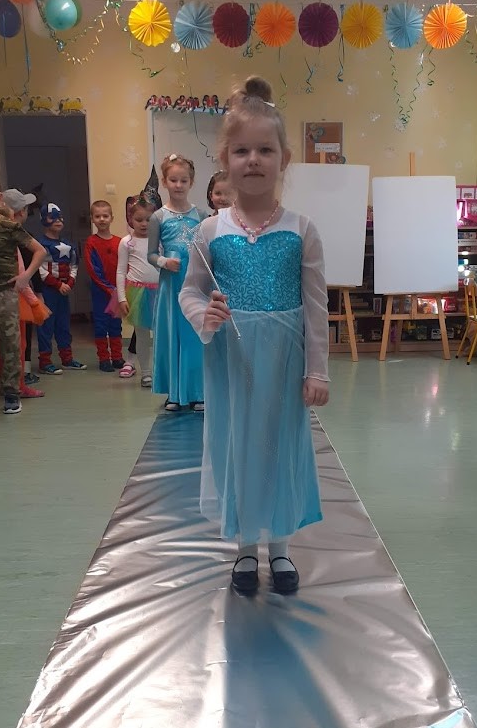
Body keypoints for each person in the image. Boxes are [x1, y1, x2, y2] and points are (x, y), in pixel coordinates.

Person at [179, 77, 330, 594]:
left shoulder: (302, 229)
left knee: (280, 446)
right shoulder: (210, 231)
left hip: (284, 361)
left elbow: (316, 307)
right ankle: (245, 547)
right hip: (233, 360)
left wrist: (317, 371)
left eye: (265, 150)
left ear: (284, 158)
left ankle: (280, 547)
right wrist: (205, 316)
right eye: (242, 150)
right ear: (225, 159)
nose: (254, 160)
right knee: (237, 445)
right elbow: (191, 291)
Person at [0, 172, 46, 415]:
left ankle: (11, 393)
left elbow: (39, 251)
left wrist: (25, 277)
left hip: (5, 296)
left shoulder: (10, 227)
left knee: (10, 346)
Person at [147, 154, 206, 411]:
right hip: (171, 285)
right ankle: (173, 392)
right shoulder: (158, 217)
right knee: (171, 335)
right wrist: (163, 262)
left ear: (191, 182)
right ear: (164, 182)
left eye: (183, 180)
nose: (178, 185)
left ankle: (197, 391)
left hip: (195, 284)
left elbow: (207, 250)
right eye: (173, 180)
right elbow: (150, 254)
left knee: (194, 335)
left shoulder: (201, 215)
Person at [1, 189, 47, 398]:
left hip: (5, 295)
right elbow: (23, 273)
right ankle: (17, 384)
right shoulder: (18, 237)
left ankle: (11, 382)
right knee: (17, 343)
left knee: (6, 344)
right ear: (20, 212)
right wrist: (35, 301)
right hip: (16, 296)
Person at [36, 203, 87, 374]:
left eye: (60, 217)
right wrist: (57, 284)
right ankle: (45, 361)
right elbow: (40, 269)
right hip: (48, 291)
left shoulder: (68, 245)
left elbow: (74, 265)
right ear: (44, 219)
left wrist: (70, 283)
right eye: (53, 217)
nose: (58, 220)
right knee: (46, 326)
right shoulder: (39, 245)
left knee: (63, 324)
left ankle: (67, 358)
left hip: (63, 292)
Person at [115, 196, 159, 387]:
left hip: (160, 293)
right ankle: (146, 373)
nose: (143, 224)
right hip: (138, 294)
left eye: (148, 219)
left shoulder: (160, 240)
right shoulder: (127, 242)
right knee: (141, 335)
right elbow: (120, 271)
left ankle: (161, 371)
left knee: (161, 334)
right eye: (139, 219)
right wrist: (121, 298)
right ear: (130, 219)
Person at [84, 200, 124, 372]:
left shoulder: (120, 242)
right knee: (101, 325)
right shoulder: (91, 242)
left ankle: (117, 357)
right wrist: (108, 288)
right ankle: (103, 358)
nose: (101, 219)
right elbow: (93, 269)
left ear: (111, 218)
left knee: (116, 324)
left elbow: (125, 266)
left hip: (117, 291)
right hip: (100, 291)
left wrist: (120, 288)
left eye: (105, 216)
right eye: (97, 216)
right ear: (92, 219)